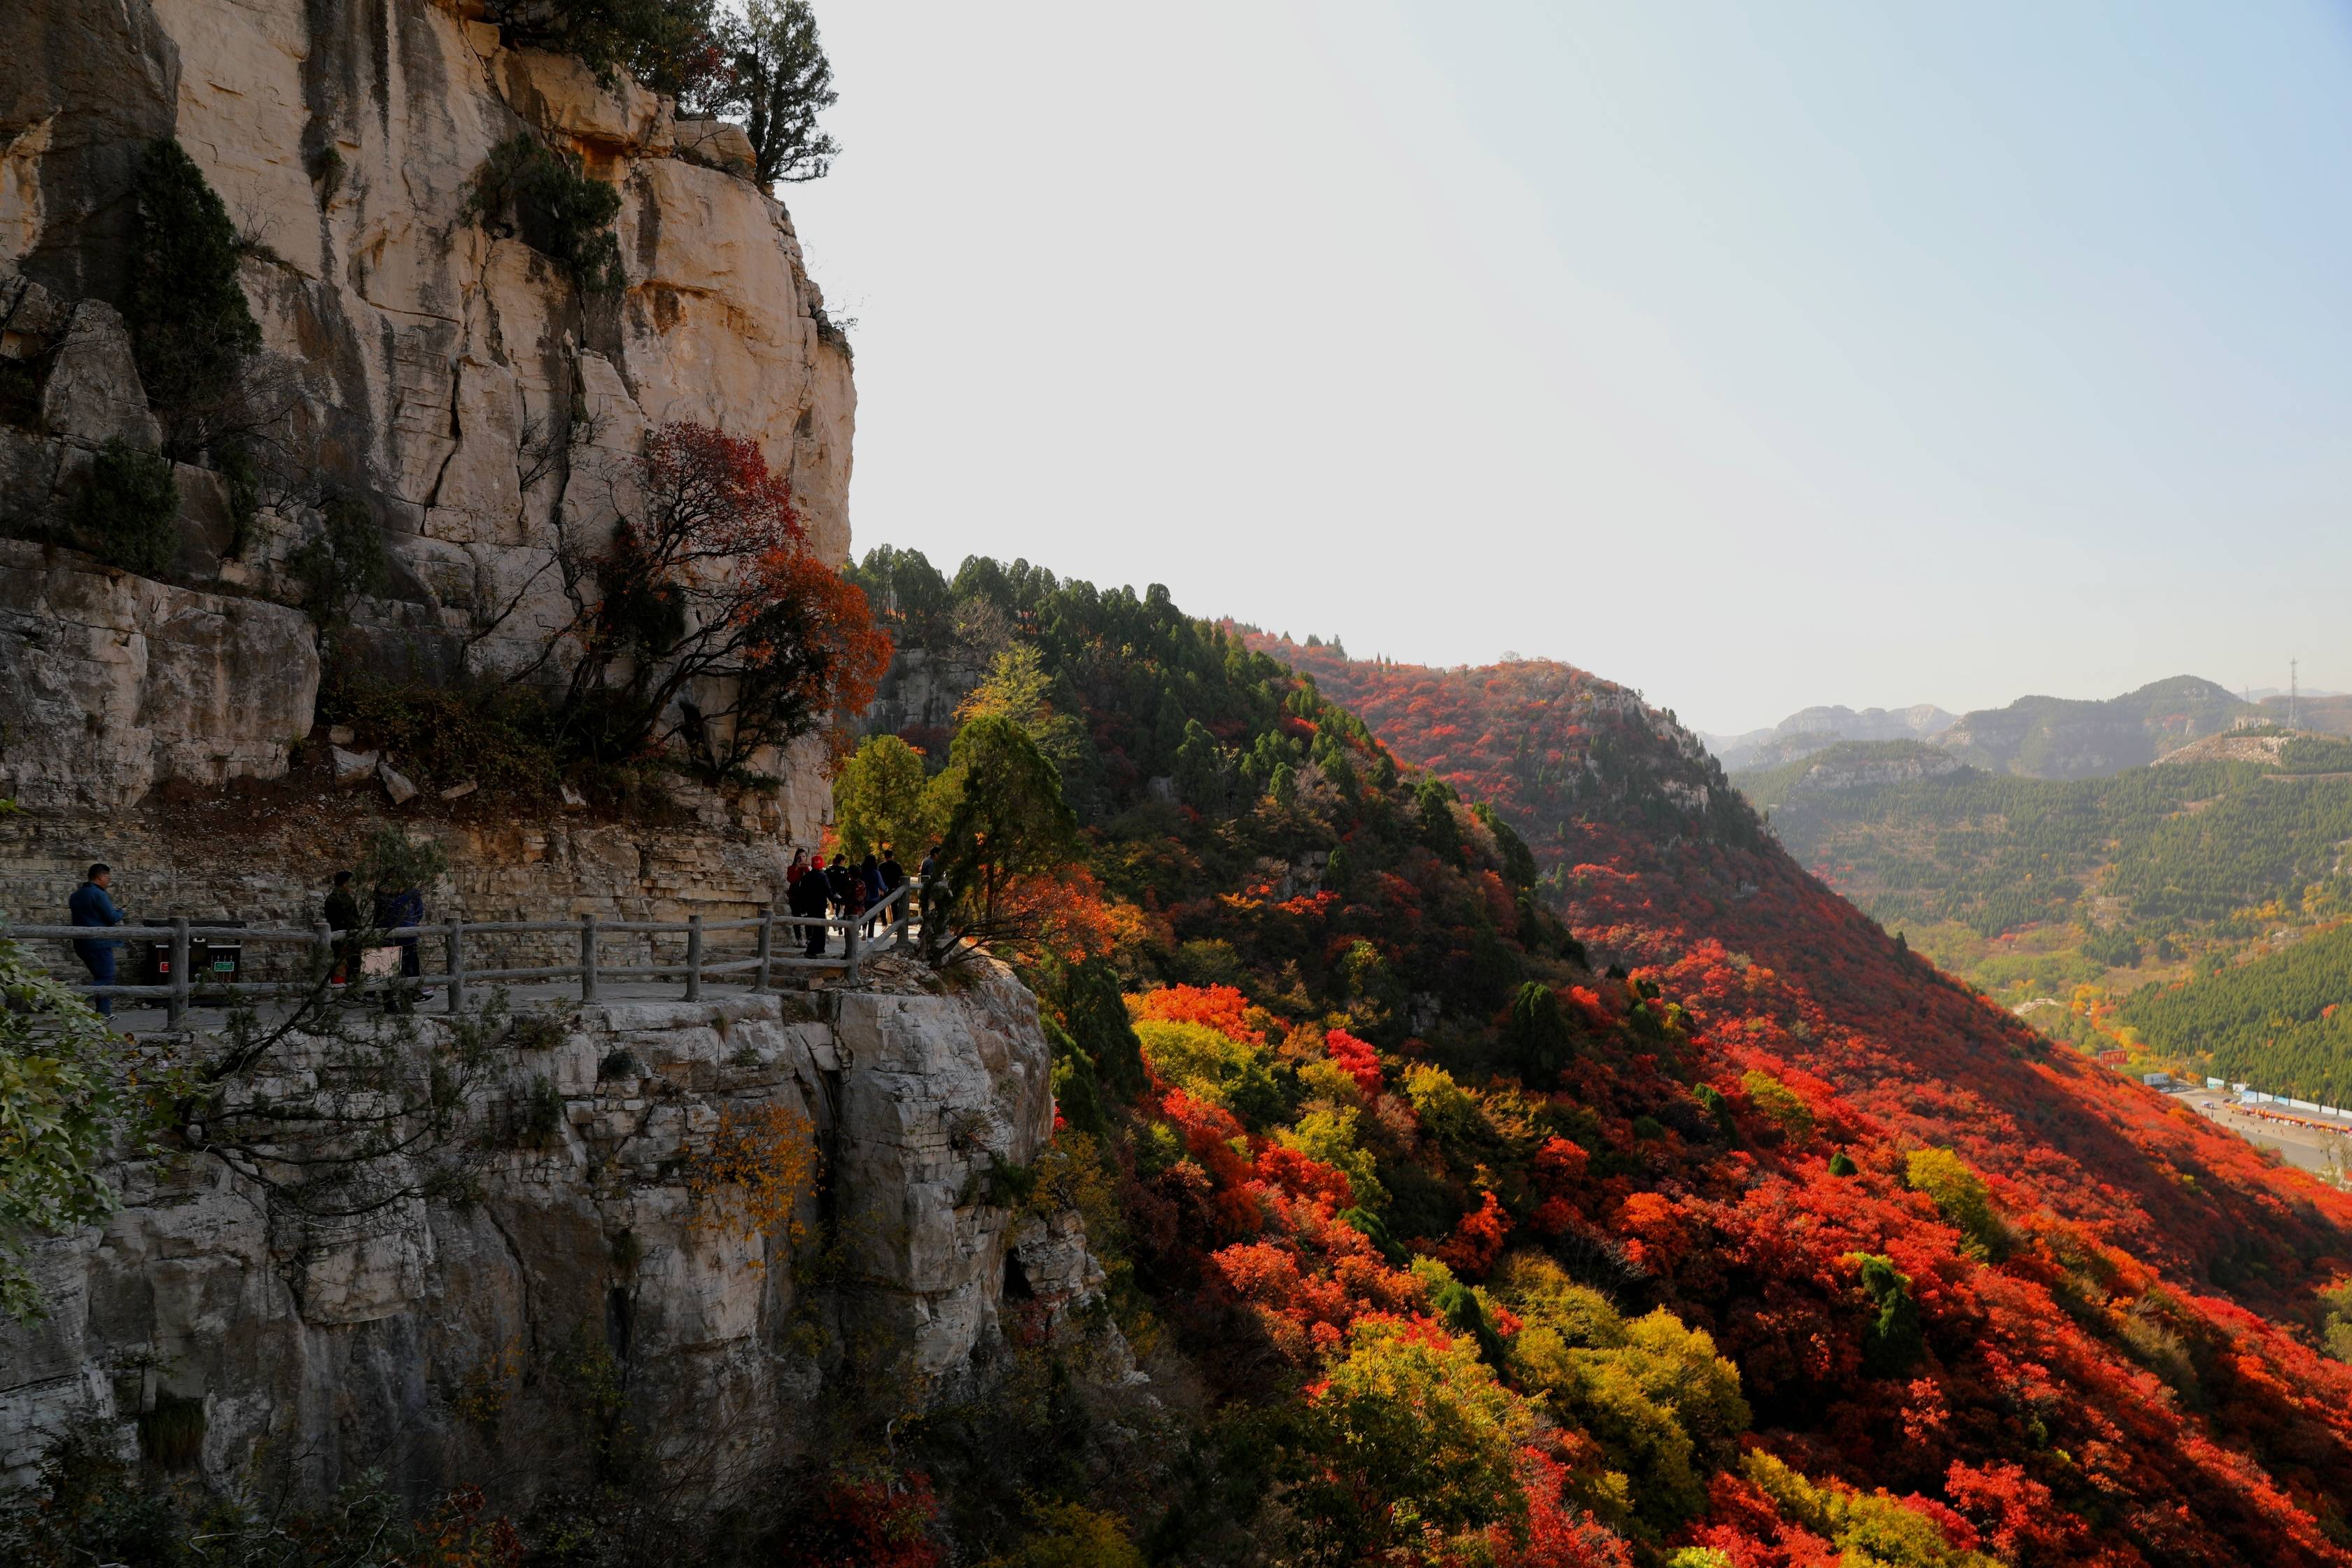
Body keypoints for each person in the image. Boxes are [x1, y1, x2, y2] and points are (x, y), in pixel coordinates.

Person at [69, 862, 125, 1019]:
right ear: (100, 876)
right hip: (99, 942)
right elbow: (112, 917)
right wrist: (122, 912)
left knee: (101, 978)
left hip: (81, 943)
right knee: (107, 979)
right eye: (108, 877)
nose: (109, 881)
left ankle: (104, 1013)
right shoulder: (99, 894)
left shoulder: (76, 895)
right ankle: (69, 997)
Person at [371, 876, 432, 997]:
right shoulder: (410, 893)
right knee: (406, 966)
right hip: (403, 935)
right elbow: (417, 913)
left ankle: (374, 994)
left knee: (386, 966)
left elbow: (378, 914)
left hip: (390, 934)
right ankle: (410, 994)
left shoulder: (383, 894)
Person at [323, 870, 360, 985]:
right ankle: (344, 991)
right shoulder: (342, 899)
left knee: (343, 965)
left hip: (341, 938)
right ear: (345, 884)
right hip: (346, 939)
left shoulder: (333, 898)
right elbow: (350, 920)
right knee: (346, 966)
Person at [792, 853, 832, 958]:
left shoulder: (806, 877)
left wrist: (802, 907)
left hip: (809, 906)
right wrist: (835, 899)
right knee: (820, 929)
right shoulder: (823, 876)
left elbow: (802, 893)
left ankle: (819, 948)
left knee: (813, 927)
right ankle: (812, 950)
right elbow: (828, 891)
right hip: (820, 906)